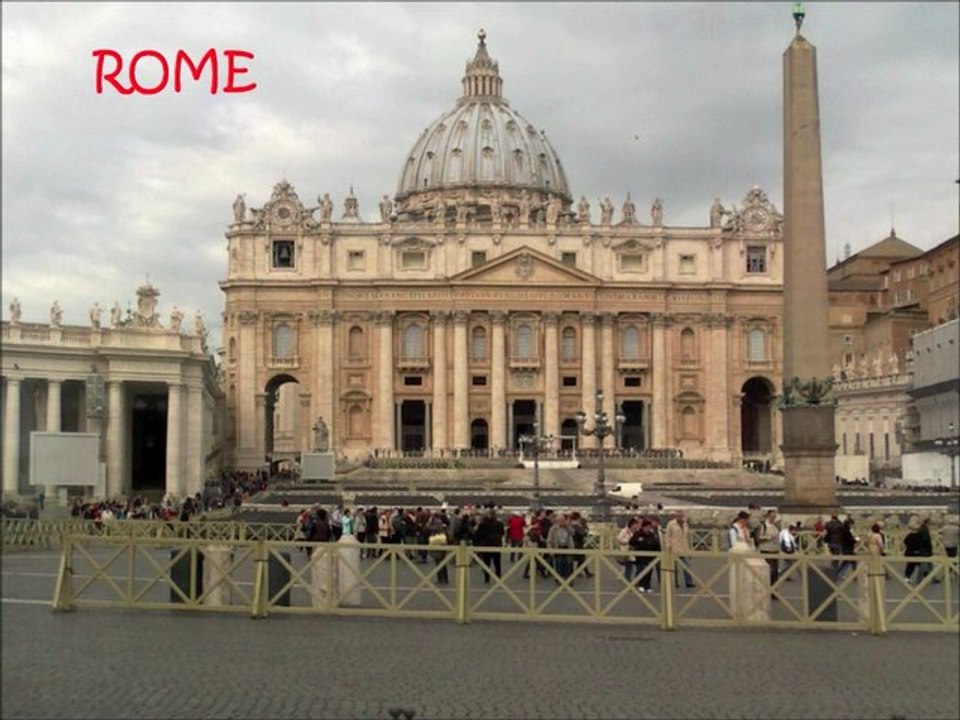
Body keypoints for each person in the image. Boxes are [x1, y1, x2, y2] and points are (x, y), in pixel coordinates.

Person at [473, 507, 504, 584]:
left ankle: (487, 578)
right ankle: (498, 577)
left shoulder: (483, 524)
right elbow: (502, 533)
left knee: (487, 563)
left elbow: (478, 534)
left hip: (487, 544)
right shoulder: (499, 523)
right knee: (497, 562)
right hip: (497, 544)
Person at [629, 518, 661, 593]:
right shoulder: (638, 534)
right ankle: (641, 585)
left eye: (649, 527)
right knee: (641, 570)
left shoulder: (651, 535)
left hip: (650, 557)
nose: (648, 528)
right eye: (647, 527)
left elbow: (656, 544)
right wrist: (639, 541)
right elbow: (632, 542)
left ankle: (647, 586)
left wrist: (658, 554)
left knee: (649, 571)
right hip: (640, 556)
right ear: (643, 526)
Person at [664, 510, 695, 588]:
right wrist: (668, 546)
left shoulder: (685, 524)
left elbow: (687, 537)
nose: (680, 517)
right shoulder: (671, 524)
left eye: (681, 516)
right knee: (674, 567)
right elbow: (667, 536)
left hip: (684, 548)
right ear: (676, 516)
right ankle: (675, 583)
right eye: (678, 516)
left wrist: (689, 549)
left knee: (687, 566)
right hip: (674, 548)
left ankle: (689, 582)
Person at [754, 510, 781, 589]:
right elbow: (758, 538)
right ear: (768, 516)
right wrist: (768, 538)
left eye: (774, 517)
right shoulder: (763, 526)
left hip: (775, 550)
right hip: (766, 550)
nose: (773, 518)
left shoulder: (775, 526)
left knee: (775, 572)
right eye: (772, 517)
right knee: (769, 571)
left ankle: (774, 590)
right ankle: (766, 588)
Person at [903, 515, 933, 585]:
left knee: (910, 566)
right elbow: (924, 542)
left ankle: (907, 578)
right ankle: (922, 579)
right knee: (922, 566)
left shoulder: (909, 536)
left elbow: (905, 542)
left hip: (910, 552)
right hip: (919, 552)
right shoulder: (920, 535)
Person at [546, 513, 575, 583]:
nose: (562, 522)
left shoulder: (568, 527)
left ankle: (569, 580)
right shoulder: (553, 529)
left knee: (569, 564)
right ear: (557, 521)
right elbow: (549, 540)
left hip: (567, 547)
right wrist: (550, 550)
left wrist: (567, 526)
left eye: (563, 520)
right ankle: (559, 579)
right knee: (559, 564)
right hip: (558, 547)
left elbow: (573, 533)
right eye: (560, 520)